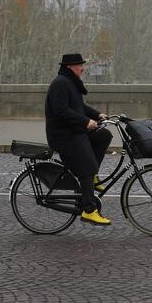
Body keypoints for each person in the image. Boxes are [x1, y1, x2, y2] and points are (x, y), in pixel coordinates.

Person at [44, 53, 113, 226]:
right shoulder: (60, 83)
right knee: (86, 166)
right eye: (79, 66)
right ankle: (89, 210)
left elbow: (78, 106)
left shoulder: (69, 82)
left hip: (73, 131)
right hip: (63, 135)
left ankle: (93, 176)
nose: (83, 69)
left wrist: (97, 115)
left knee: (104, 135)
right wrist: (85, 122)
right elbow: (61, 111)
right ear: (70, 67)